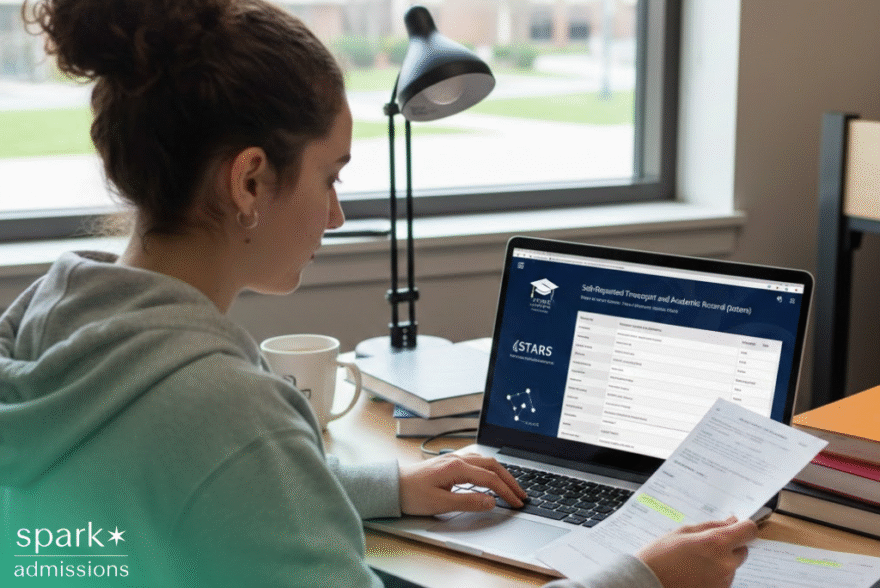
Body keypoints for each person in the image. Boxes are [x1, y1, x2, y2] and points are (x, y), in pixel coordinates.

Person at [0, 0, 758, 586]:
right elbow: (226, 453)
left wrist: (391, 484)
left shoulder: (53, 316)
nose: (335, 213)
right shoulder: (227, 408)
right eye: (331, 176)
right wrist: (645, 576)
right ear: (251, 180)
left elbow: (189, 484)